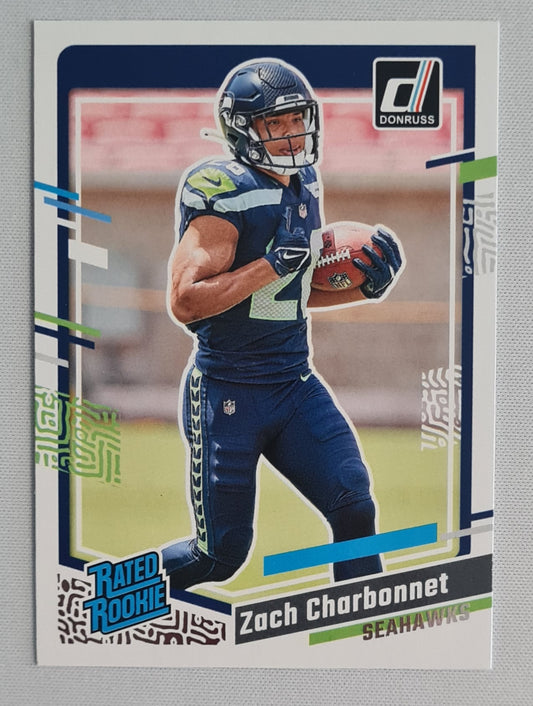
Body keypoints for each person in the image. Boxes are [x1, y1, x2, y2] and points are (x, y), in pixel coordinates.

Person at [161, 58, 403, 590]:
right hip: (227, 390)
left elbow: (286, 295)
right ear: (242, 129)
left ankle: (364, 625)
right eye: (276, 123)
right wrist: (270, 264)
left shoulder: (305, 182)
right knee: (219, 556)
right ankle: (102, 596)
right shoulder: (222, 189)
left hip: (293, 383)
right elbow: (185, 301)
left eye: (298, 119)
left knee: (354, 504)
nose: (293, 134)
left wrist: (363, 289)